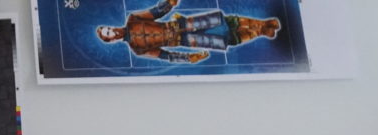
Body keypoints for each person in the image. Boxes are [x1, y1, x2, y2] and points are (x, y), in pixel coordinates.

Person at [95, 0, 281, 64]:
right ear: (111, 40)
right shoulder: (138, 49)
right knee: (227, 39)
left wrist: (169, 4)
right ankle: (261, 32)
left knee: (227, 21)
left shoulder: (134, 19)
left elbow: (155, 12)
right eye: (108, 34)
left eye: (108, 28)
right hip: (186, 40)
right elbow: (166, 56)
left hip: (182, 25)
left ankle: (263, 23)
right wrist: (188, 58)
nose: (111, 31)